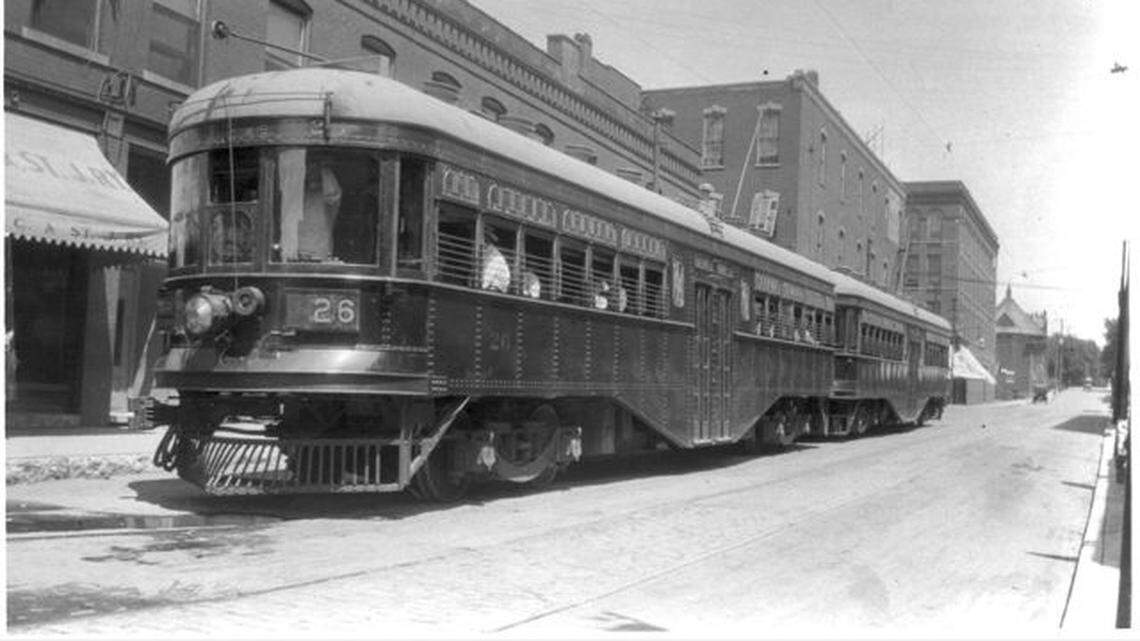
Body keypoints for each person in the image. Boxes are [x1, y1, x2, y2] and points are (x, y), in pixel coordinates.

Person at [297, 161, 342, 261]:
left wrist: (323, 168)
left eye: (314, 168)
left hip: (319, 252)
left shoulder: (329, 198)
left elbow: (332, 193)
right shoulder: (299, 193)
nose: (310, 171)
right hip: (296, 250)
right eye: (307, 168)